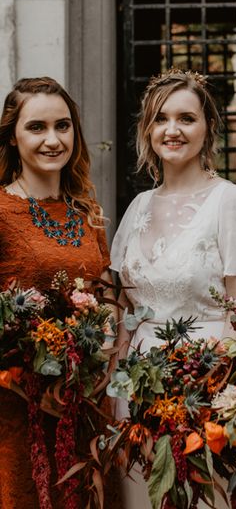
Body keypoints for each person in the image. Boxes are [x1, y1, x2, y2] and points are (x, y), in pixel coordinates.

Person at [110, 68, 236, 508]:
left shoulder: (230, 201)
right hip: (137, 392)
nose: (173, 130)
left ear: (208, 129)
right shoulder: (138, 207)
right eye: (160, 118)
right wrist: (117, 387)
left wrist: (214, 394)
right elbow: (127, 309)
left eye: (186, 118)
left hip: (206, 388)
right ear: (147, 131)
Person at [0, 77, 116, 508]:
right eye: (37, 127)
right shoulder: (1, 210)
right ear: (12, 136)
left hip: (83, 409)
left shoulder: (89, 214)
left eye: (63, 126)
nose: (53, 139)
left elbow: (105, 305)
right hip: (18, 412)